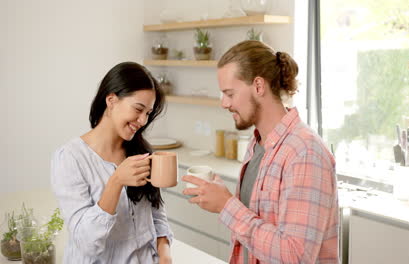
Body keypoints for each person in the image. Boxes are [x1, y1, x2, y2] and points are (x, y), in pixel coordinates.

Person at [182, 41, 339, 264]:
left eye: (230, 93)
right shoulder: (256, 144)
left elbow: (295, 256)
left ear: (258, 86)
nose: (224, 103)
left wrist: (227, 205)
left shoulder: (305, 153)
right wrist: (222, 197)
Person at [51, 62, 173, 263]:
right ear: (111, 100)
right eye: (138, 109)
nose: (143, 120)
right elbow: (86, 243)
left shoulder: (140, 151)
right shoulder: (70, 158)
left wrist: (165, 252)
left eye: (148, 113)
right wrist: (116, 182)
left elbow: (156, 214)